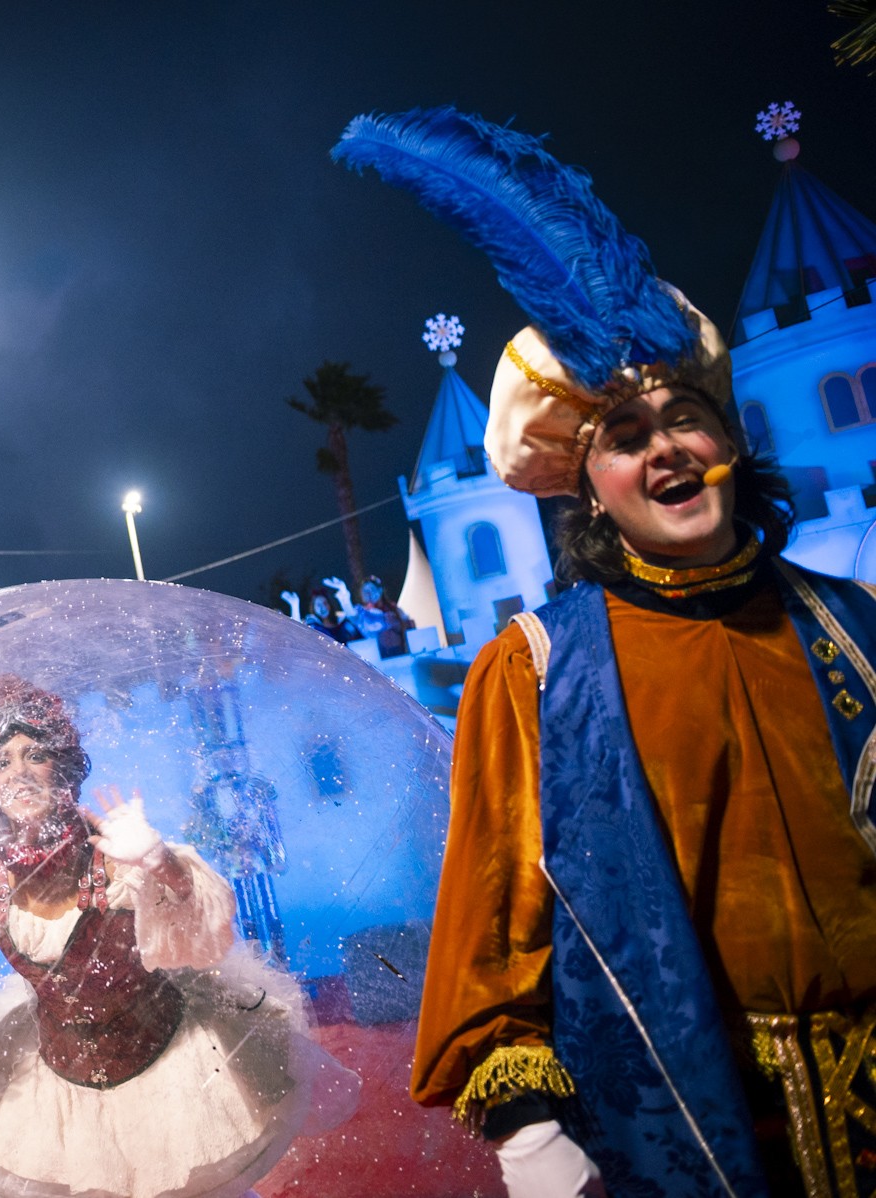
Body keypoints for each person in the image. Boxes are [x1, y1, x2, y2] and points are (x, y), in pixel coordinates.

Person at [334, 107, 876, 1197]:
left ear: (727, 443)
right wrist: (534, 1141)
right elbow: (494, 930)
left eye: (687, 418)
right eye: (625, 438)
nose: (665, 446)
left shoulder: (853, 622)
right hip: (694, 1137)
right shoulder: (537, 668)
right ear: (587, 485)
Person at [0, 675, 353, 1198]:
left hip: (172, 1063)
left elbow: (201, 938)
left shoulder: (115, 845)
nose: (18, 773)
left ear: (63, 767)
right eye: (1, 762)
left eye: (34, 755)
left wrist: (163, 865)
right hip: (54, 1079)